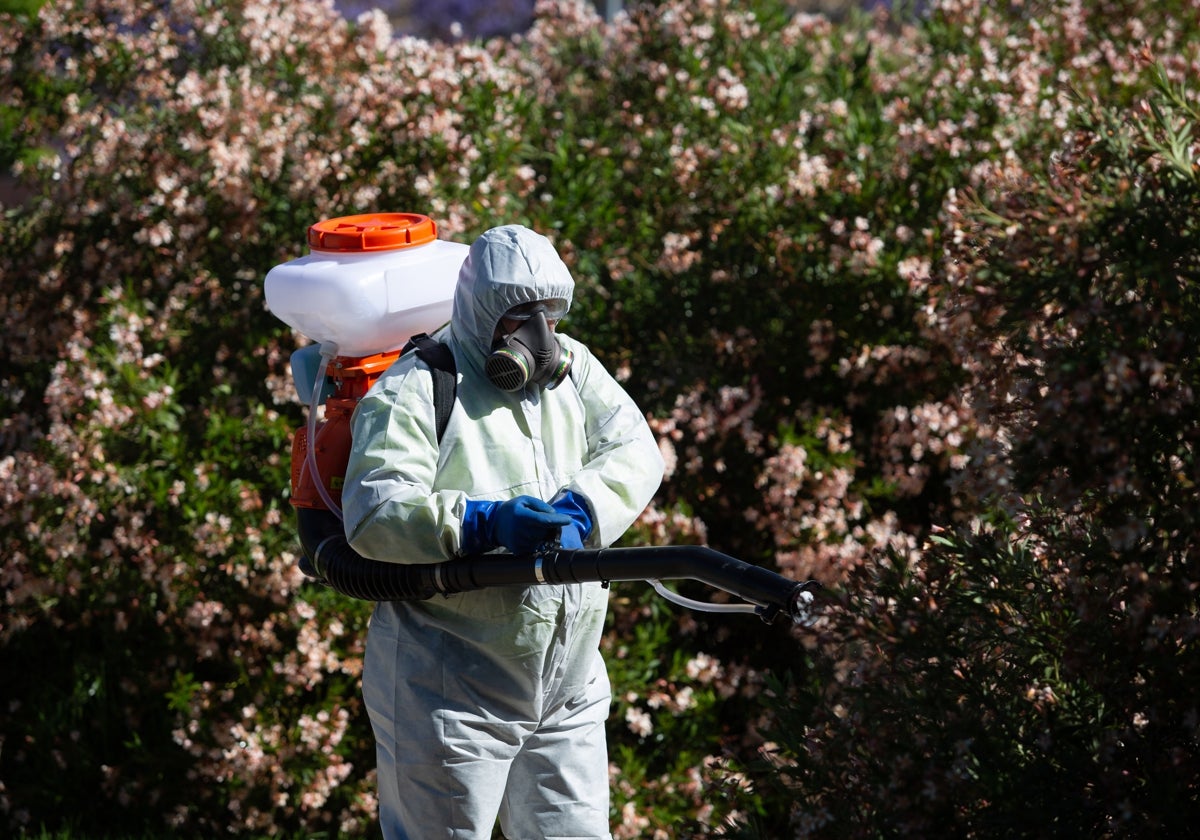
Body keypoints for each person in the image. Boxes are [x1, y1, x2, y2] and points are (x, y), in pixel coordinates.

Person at [341, 224, 665, 839]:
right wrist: (479, 522)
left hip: (566, 684)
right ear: (481, 311)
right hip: (451, 690)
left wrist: (585, 509)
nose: (540, 335)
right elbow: (375, 508)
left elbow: (635, 448)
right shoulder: (419, 384)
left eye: (550, 313)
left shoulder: (574, 372)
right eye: (520, 314)